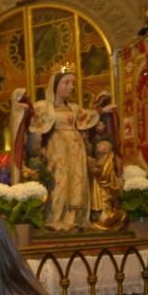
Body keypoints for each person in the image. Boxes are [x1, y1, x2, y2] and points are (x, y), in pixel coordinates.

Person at [30, 65, 101, 230]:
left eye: (72, 83)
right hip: (57, 148)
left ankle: (74, 219)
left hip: (76, 148)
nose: (70, 87)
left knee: (77, 182)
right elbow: (32, 125)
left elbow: (90, 117)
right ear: (55, 85)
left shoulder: (74, 108)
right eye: (66, 83)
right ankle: (55, 218)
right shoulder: (44, 107)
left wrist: (102, 110)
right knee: (59, 180)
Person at [89, 138, 126, 230]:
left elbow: (111, 183)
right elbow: (113, 186)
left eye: (103, 150)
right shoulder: (95, 163)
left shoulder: (108, 165)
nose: (100, 151)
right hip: (98, 196)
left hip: (104, 197)